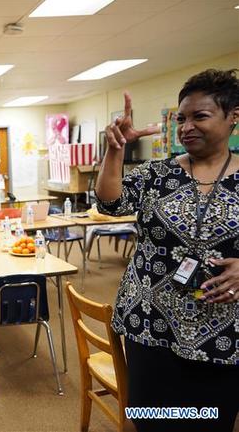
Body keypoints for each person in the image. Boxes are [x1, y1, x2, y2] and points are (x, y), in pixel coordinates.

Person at [95, 69, 239, 432]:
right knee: (153, 419)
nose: (186, 126)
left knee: (211, 419)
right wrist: (115, 150)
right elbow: (110, 203)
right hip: (151, 322)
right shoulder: (156, 174)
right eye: (181, 118)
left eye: (199, 116)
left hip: (223, 330)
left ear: (233, 117)